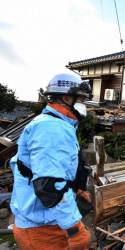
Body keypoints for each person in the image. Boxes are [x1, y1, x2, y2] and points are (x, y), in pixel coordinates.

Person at [10, 72, 92, 250]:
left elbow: (57, 170)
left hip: (45, 221)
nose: (84, 105)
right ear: (67, 98)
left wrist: (77, 189)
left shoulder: (54, 124)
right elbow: (50, 186)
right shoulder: (52, 128)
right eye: (81, 99)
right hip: (42, 230)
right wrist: (75, 229)